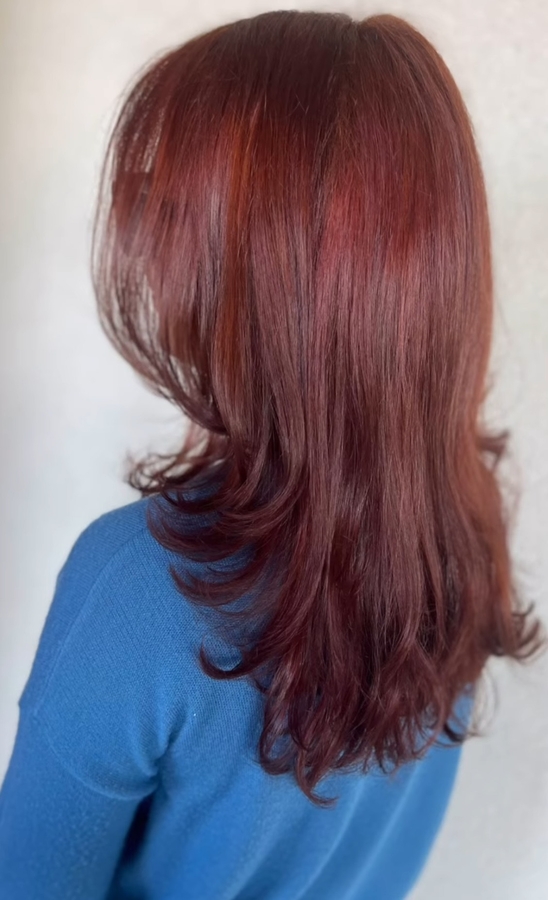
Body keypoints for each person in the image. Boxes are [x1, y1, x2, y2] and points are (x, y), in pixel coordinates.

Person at [0, 10, 544, 900]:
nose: (152, 229)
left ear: (266, 279)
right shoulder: (461, 521)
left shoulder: (140, 590)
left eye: (179, 209)